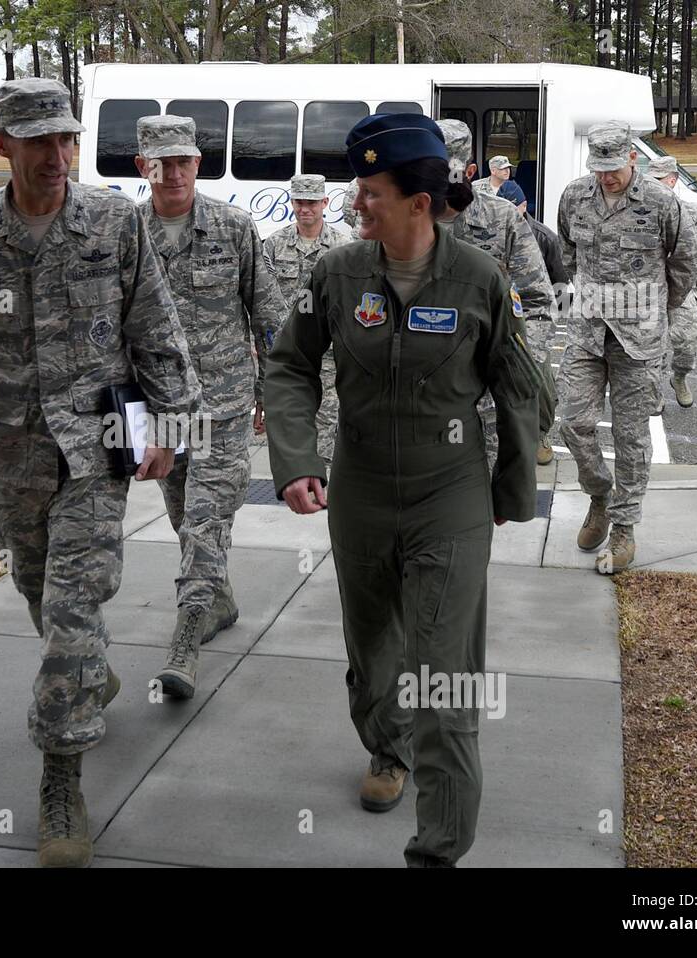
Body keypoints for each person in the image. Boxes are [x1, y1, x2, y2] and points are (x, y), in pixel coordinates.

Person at [0, 78, 198, 868]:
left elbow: (155, 327)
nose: (59, 157)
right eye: (40, 144)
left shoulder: (112, 220)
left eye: (67, 140)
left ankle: (61, 776)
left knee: (70, 605)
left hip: (97, 451)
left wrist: (169, 422)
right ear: (2, 146)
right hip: (15, 454)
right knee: (39, 590)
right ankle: (90, 669)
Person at [265, 114, 539, 867]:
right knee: (373, 650)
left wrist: (513, 490)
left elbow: (521, 388)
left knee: (444, 675)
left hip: (447, 494)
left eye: (372, 193)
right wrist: (293, 459)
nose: (358, 205)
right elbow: (289, 365)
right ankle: (386, 751)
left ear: (419, 201)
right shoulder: (338, 272)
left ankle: (440, 847)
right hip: (359, 492)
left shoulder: (480, 278)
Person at [132, 114, 287, 700]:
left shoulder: (232, 227)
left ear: (198, 162)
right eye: (161, 162)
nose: (173, 173)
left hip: (223, 407)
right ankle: (217, 601)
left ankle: (185, 641)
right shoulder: (126, 233)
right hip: (164, 415)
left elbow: (270, 318)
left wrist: (275, 398)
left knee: (204, 522)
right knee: (183, 521)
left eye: (184, 161)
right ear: (143, 166)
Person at [557, 121, 697, 573]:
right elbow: (567, 251)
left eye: (614, 168)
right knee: (574, 422)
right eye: (599, 169)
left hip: (639, 339)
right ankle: (600, 494)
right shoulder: (575, 196)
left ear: (632, 158)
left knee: (631, 437)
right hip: (587, 331)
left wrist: (658, 308)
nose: (607, 177)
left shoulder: (661, 202)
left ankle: (623, 528)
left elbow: (686, 260)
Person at [435, 119, 557, 467]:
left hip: (486, 387)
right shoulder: (404, 217)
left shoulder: (501, 219)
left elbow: (537, 300)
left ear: (470, 171)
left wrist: (518, 363)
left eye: (449, 174)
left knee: (484, 486)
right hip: (420, 387)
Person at [262, 173, 353, 465]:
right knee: (292, 410)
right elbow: (265, 296)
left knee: (328, 413)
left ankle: (322, 472)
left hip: (328, 348)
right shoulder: (275, 244)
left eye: (312, 203)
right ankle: (297, 468)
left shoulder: (342, 245)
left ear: (325, 202)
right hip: (289, 348)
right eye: (300, 202)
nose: (305, 209)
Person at [644, 155, 697, 413]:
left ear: (673, 180)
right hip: (648, 292)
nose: (654, 186)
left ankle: (679, 377)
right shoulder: (639, 212)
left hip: (680, 288)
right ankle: (652, 393)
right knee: (651, 348)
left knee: (688, 342)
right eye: (650, 180)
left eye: (660, 180)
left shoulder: (689, 213)